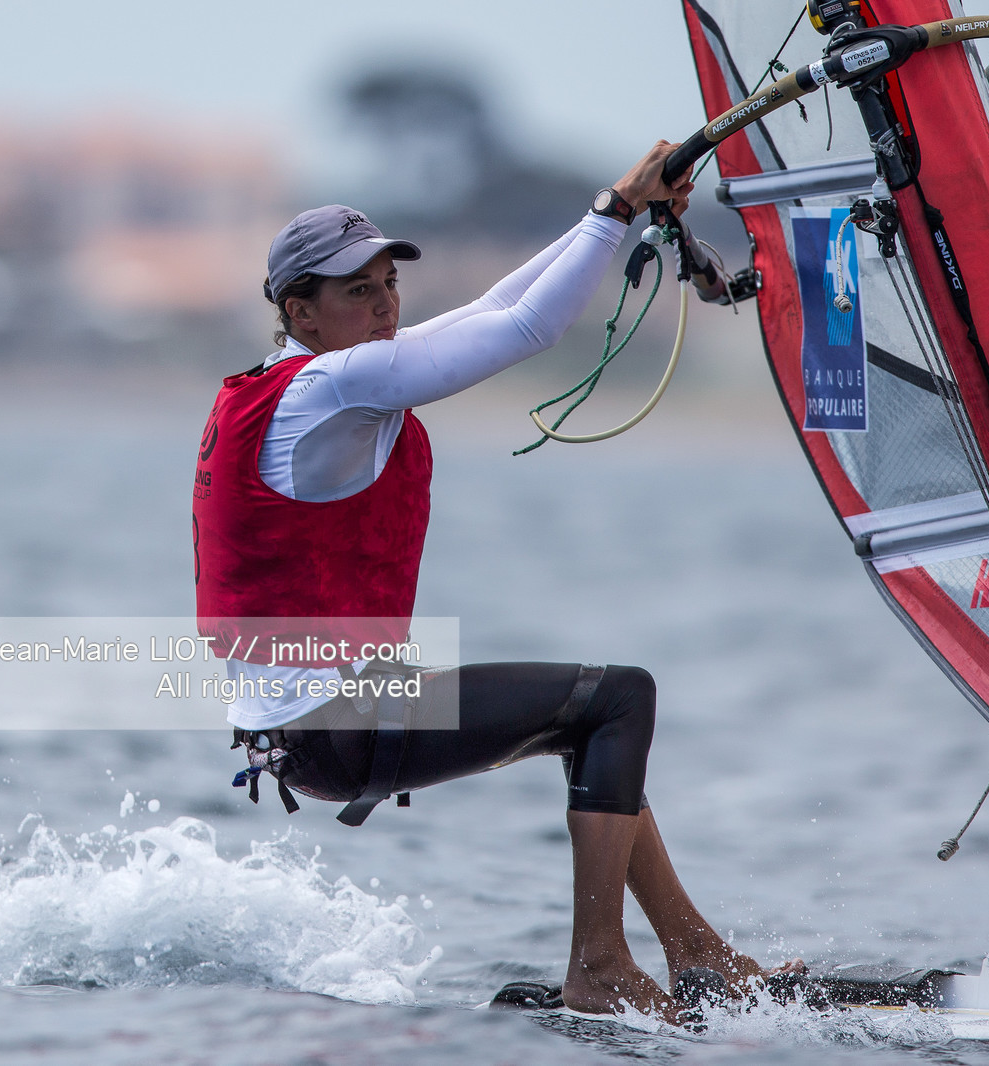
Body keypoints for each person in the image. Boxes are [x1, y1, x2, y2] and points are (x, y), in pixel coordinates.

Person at [192, 141, 804, 1023]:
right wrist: (615, 214)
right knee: (616, 701)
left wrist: (616, 208)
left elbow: (492, 305)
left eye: (387, 282)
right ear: (302, 311)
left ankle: (699, 956)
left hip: (303, 730)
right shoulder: (336, 384)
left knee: (587, 721)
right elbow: (528, 329)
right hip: (332, 729)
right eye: (357, 291)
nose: (385, 303)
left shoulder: (281, 387)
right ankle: (600, 965)